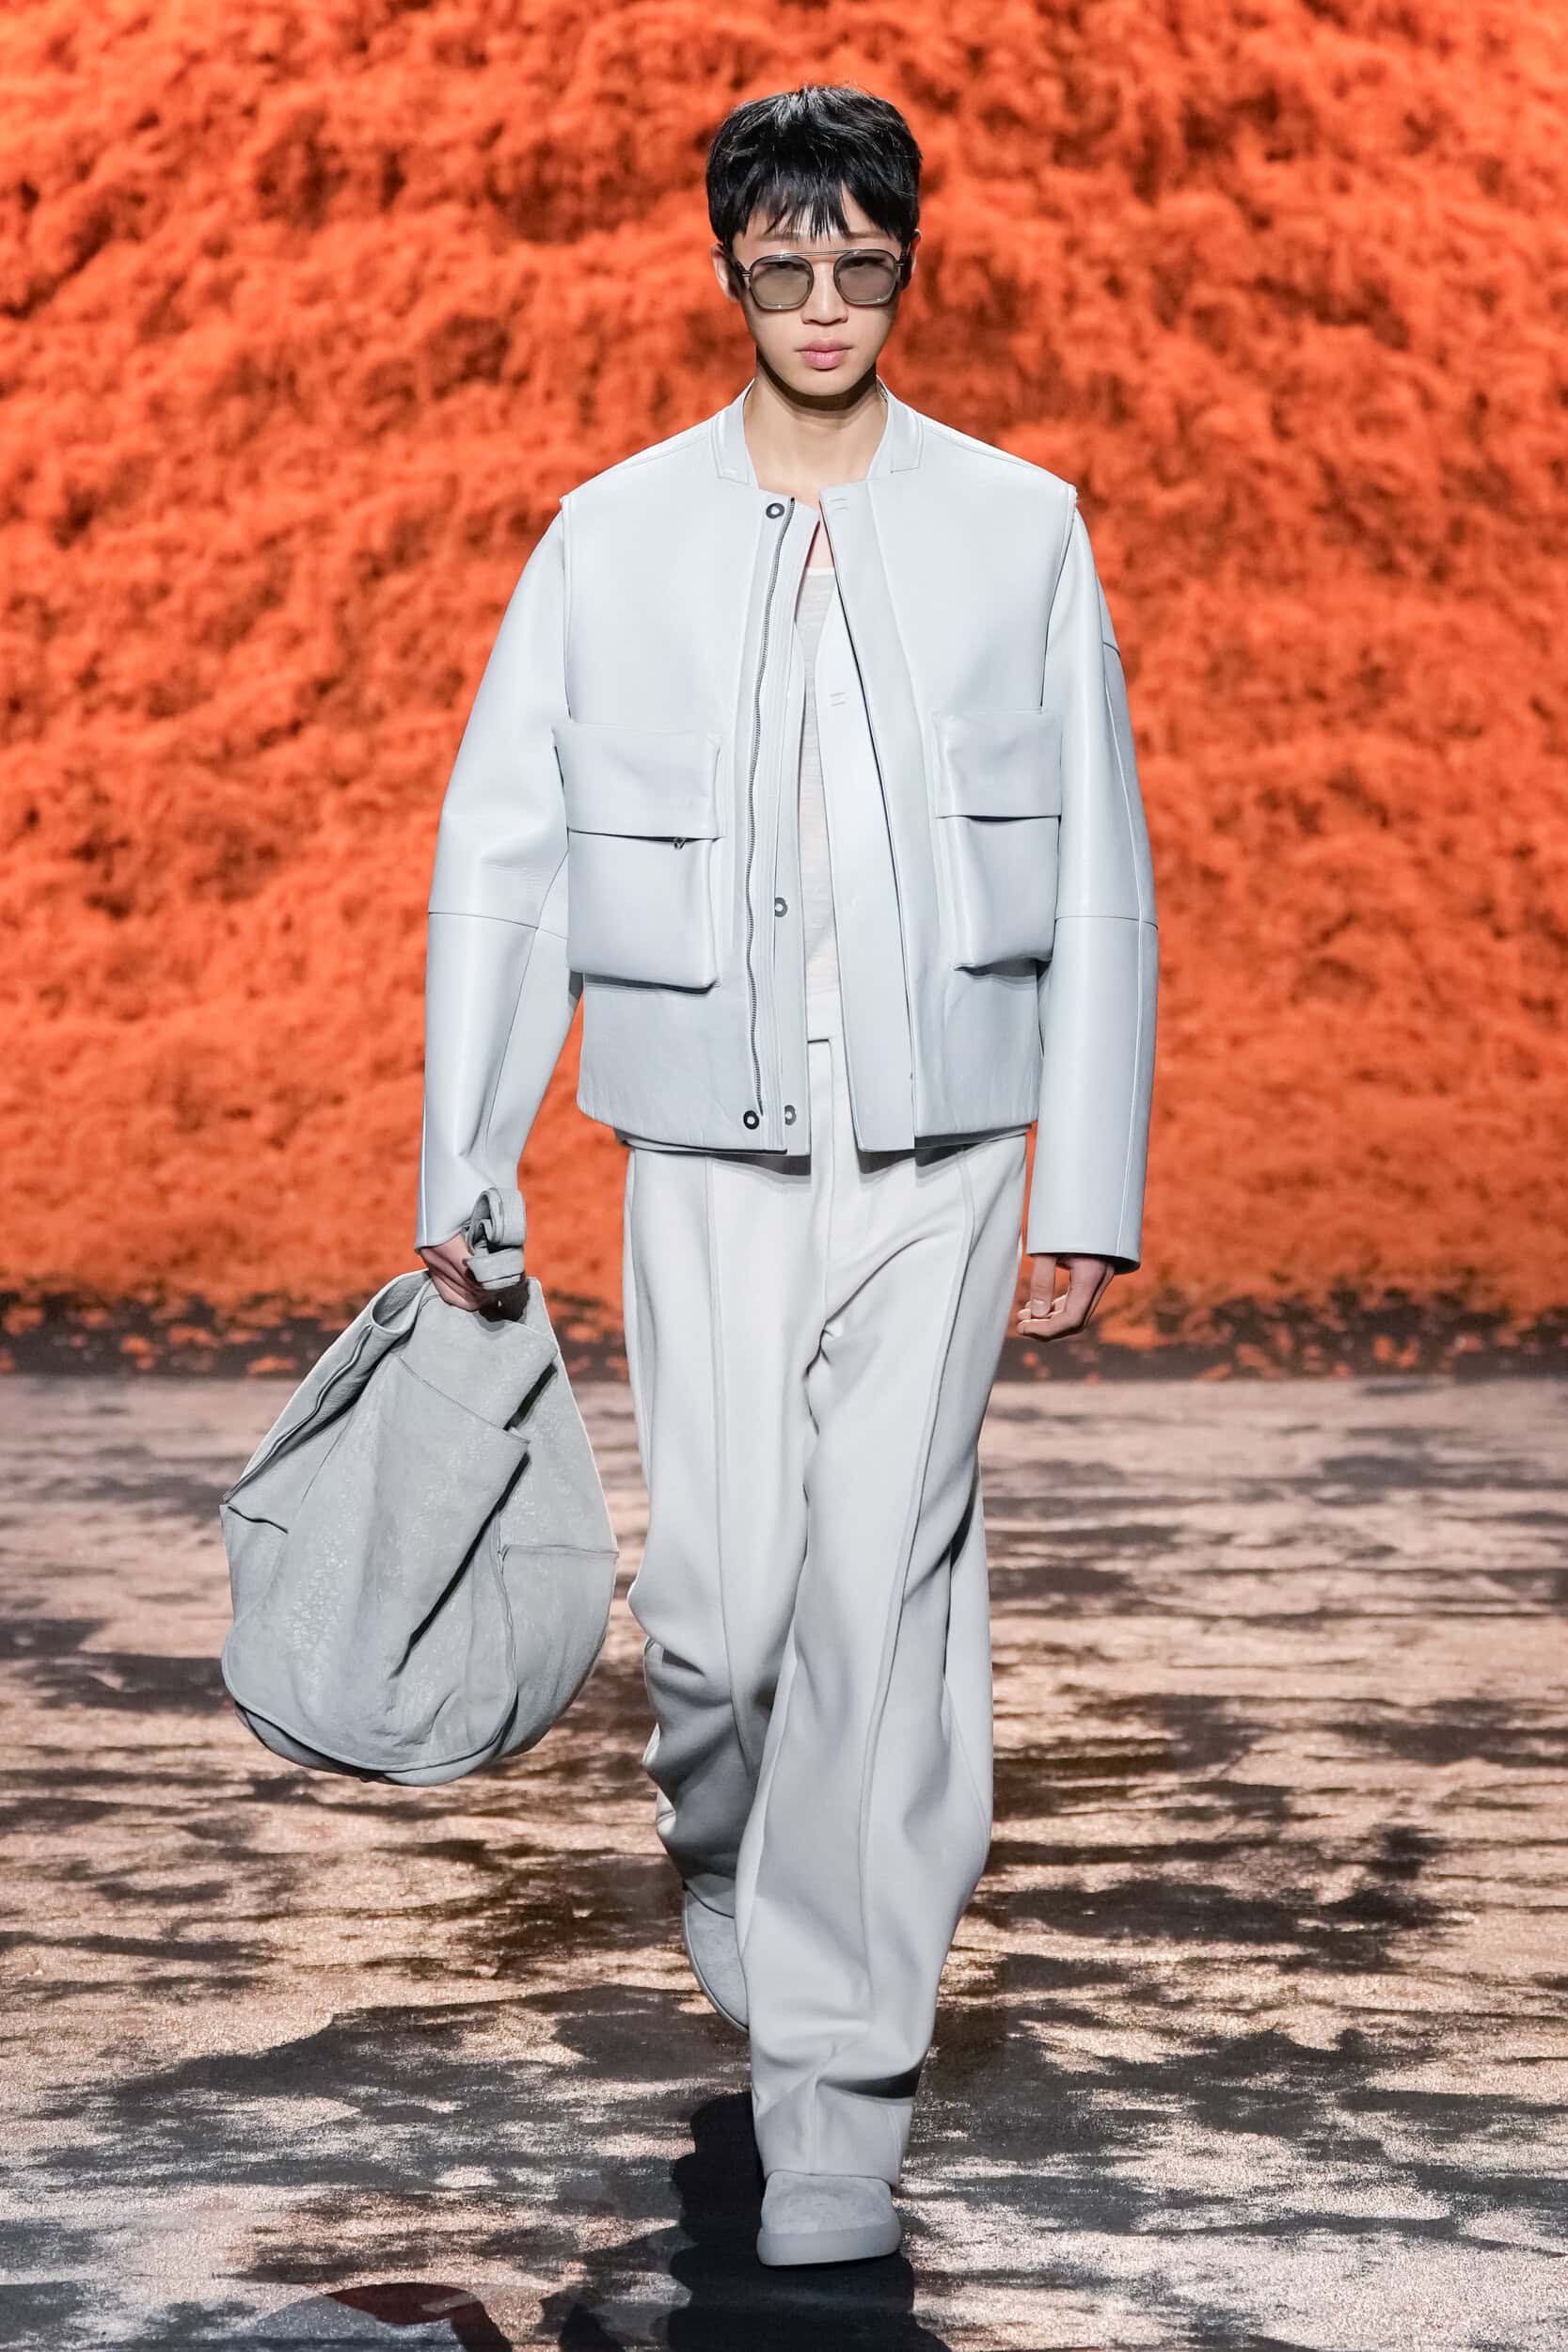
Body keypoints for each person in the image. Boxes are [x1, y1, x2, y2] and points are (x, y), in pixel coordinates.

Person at [414, 83, 1157, 2269]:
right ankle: (734, 1856)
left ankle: (838, 2084)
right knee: (725, 1623)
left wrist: (1085, 1176)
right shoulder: (610, 535)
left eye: (863, 265)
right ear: (731, 271)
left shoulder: (1020, 526)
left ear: (908, 268)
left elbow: (1100, 865)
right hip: (706, 1158)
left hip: (945, 1158)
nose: (826, 303)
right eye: (786, 266)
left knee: (879, 1599)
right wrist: (468, 1154)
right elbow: (505, 850)